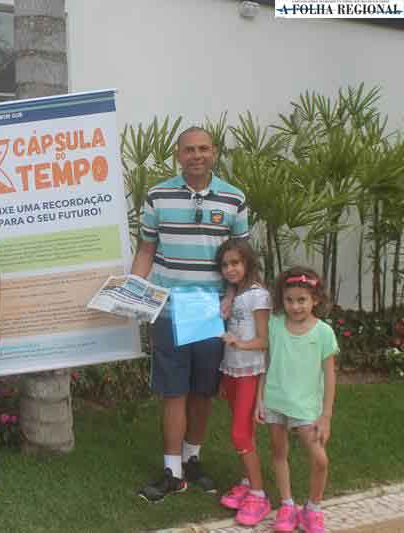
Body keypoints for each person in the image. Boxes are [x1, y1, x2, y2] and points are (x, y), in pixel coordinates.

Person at [132, 127, 249, 502]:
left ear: (214, 152)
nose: (196, 155)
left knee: (202, 391)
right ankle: (172, 472)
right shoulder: (158, 195)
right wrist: (133, 291)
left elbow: (241, 259)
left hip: (213, 311)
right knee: (173, 391)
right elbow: (146, 250)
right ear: (178, 154)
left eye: (203, 149)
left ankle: (191, 459)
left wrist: (232, 297)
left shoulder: (234, 199)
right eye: (189, 150)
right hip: (169, 308)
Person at [257, 267, 337, 533]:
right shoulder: (275, 324)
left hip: (306, 408)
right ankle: (287, 505)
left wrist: (326, 416)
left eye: (302, 300)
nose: (295, 306)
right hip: (275, 401)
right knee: (279, 453)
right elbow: (266, 363)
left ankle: (313, 508)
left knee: (320, 460)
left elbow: (330, 375)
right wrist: (259, 399)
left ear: (315, 299)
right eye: (289, 300)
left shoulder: (324, 332)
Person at [216, 239, 271, 526]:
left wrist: (239, 343)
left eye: (235, 263)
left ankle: (259, 495)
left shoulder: (259, 296)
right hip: (231, 370)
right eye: (225, 265)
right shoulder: (235, 293)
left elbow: (264, 341)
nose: (229, 269)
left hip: (249, 371)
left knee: (240, 434)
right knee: (244, 433)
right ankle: (247, 482)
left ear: (248, 263)